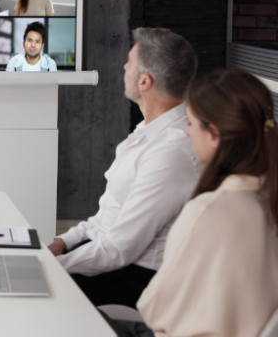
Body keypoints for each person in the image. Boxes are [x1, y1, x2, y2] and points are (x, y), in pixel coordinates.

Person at [113, 68, 278, 337]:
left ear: (214, 134)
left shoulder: (209, 211)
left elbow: (156, 310)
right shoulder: (266, 197)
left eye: (191, 123)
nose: (187, 132)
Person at [46, 28, 203, 309]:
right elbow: (108, 215)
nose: (124, 67)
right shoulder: (149, 131)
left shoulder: (171, 152)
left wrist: (51, 266)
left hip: (134, 278)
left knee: (30, 293)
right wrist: (63, 243)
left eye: (130, 62)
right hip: (107, 255)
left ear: (144, 81)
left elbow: (120, 249)